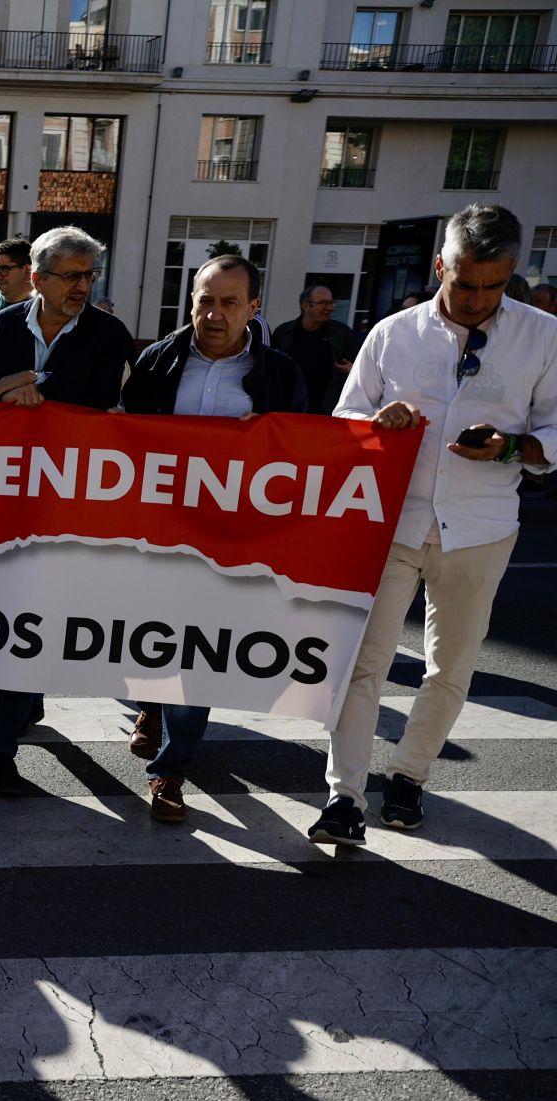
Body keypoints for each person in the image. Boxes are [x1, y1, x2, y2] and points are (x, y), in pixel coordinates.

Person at [309, 204, 557, 845]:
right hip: (391, 524)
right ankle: (343, 797)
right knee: (365, 663)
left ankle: (409, 778)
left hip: (482, 529)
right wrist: (374, 426)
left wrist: (509, 446)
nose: (478, 300)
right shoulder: (392, 333)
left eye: (495, 286)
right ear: (440, 265)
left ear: (512, 275)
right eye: (466, 282)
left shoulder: (543, 336)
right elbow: (343, 421)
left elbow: (556, 433)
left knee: (450, 669)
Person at [120, 255, 309, 822]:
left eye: (229, 302)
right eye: (205, 299)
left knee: (202, 652)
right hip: (161, 534)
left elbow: (302, 457)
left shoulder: (279, 374)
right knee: (151, 636)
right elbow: (126, 442)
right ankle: (152, 705)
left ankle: (169, 772)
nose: (214, 313)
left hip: (232, 543)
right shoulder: (157, 362)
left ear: (253, 308)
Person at [0, 225, 136, 796]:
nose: (82, 286)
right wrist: (11, 391)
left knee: (31, 621)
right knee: (15, 621)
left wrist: (25, 387)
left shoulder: (110, 333)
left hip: (69, 502)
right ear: (37, 279)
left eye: (88, 276)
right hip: (5, 497)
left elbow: (86, 400)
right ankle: (24, 701)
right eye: (70, 276)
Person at [271, 284, 360, 414]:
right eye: (323, 303)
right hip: (287, 409)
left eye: (331, 303)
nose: (329, 308)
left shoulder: (342, 334)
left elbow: (357, 369)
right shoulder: (283, 332)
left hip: (325, 412)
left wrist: (353, 370)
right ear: (306, 306)